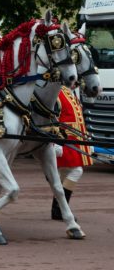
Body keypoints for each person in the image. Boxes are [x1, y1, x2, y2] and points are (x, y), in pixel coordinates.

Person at [50, 86, 93, 220]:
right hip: (64, 139)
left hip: (75, 139)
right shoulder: (57, 92)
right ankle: (60, 209)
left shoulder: (70, 92)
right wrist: (56, 142)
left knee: (63, 174)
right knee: (76, 171)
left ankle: (57, 210)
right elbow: (53, 118)